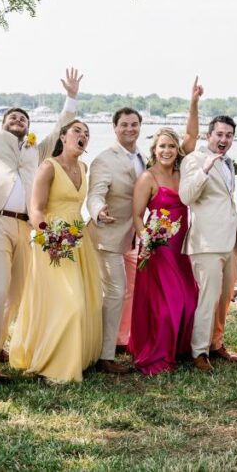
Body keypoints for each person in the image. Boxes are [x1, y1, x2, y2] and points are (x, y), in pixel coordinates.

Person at [0, 39, 80, 374]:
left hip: (26, 226)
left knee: (15, 293)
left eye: (23, 117)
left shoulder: (35, 150)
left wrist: (70, 97)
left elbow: (61, 130)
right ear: (4, 123)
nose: (18, 119)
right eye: (12, 116)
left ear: (29, 127)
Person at [10, 120, 103, 382]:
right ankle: (53, 365)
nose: (82, 135)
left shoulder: (84, 168)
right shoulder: (48, 167)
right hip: (52, 241)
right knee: (69, 303)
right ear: (63, 137)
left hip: (77, 239)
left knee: (85, 303)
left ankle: (74, 358)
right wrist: (49, 237)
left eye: (86, 133)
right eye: (77, 131)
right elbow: (36, 209)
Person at [129, 124, 200, 375]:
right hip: (158, 247)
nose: (167, 150)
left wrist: (194, 102)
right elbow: (137, 215)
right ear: (154, 150)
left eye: (171, 146)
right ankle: (157, 353)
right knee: (166, 304)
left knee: (189, 300)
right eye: (162, 146)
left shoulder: (183, 174)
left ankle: (177, 348)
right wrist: (147, 240)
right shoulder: (147, 177)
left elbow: (192, 136)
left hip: (182, 246)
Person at [179, 115, 237, 372]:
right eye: (219, 134)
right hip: (206, 241)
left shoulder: (229, 163)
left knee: (225, 296)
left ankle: (216, 343)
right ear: (209, 135)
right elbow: (186, 196)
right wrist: (205, 169)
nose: (224, 139)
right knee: (209, 296)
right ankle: (199, 351)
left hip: (231, 240)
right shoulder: (194, 160)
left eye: (228, 135)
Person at [86, 106, 145, 374]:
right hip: (106, 235)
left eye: (134, 124)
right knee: (115, 292)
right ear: (115, 128)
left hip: (133, 238)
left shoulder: (143, 158)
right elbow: (95, 193)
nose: (129, 129)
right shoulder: (103, 160)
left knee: (130, 293)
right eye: (124, 125)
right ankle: (104, 356)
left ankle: (120, 341)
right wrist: (98, 210)